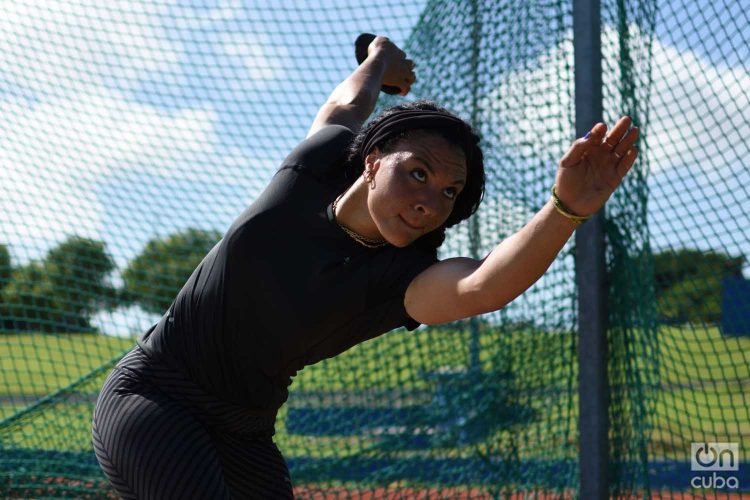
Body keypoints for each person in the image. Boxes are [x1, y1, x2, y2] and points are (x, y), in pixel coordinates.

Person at [92, 35, 638, 499]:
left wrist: (566, 209)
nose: (431, 200)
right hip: (154, 397)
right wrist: (378, 57)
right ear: (372, 161)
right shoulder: (316, 166)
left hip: (244, 433)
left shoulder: (398, 279)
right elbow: (348, 106)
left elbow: (482, 286)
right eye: (418, 173)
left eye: (450, 191)